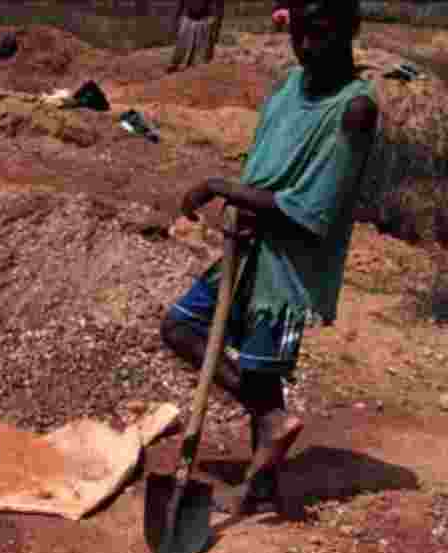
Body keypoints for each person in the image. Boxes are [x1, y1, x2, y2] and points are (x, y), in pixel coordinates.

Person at [161, 0, 379, 515]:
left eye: (321, 34)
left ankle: (264, 471)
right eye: (299, 34)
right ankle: (270, 442)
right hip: (249, 246)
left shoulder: (355, 108)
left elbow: (314, 212)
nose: (306, 47)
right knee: (181, 329)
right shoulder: (289, 87)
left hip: (288, 267)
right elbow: (265, 163)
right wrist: (241, 204)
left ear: (351, 29)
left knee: (260, 375)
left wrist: (222, 188)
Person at [168, 0, 225, 73]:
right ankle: (175, 64)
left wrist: (216, 27)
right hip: (188, 18)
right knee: (181, 44)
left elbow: (219, 6)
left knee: (203, 53)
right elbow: (180, 3)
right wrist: (176, 18)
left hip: (205, 19)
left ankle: (201, 69)